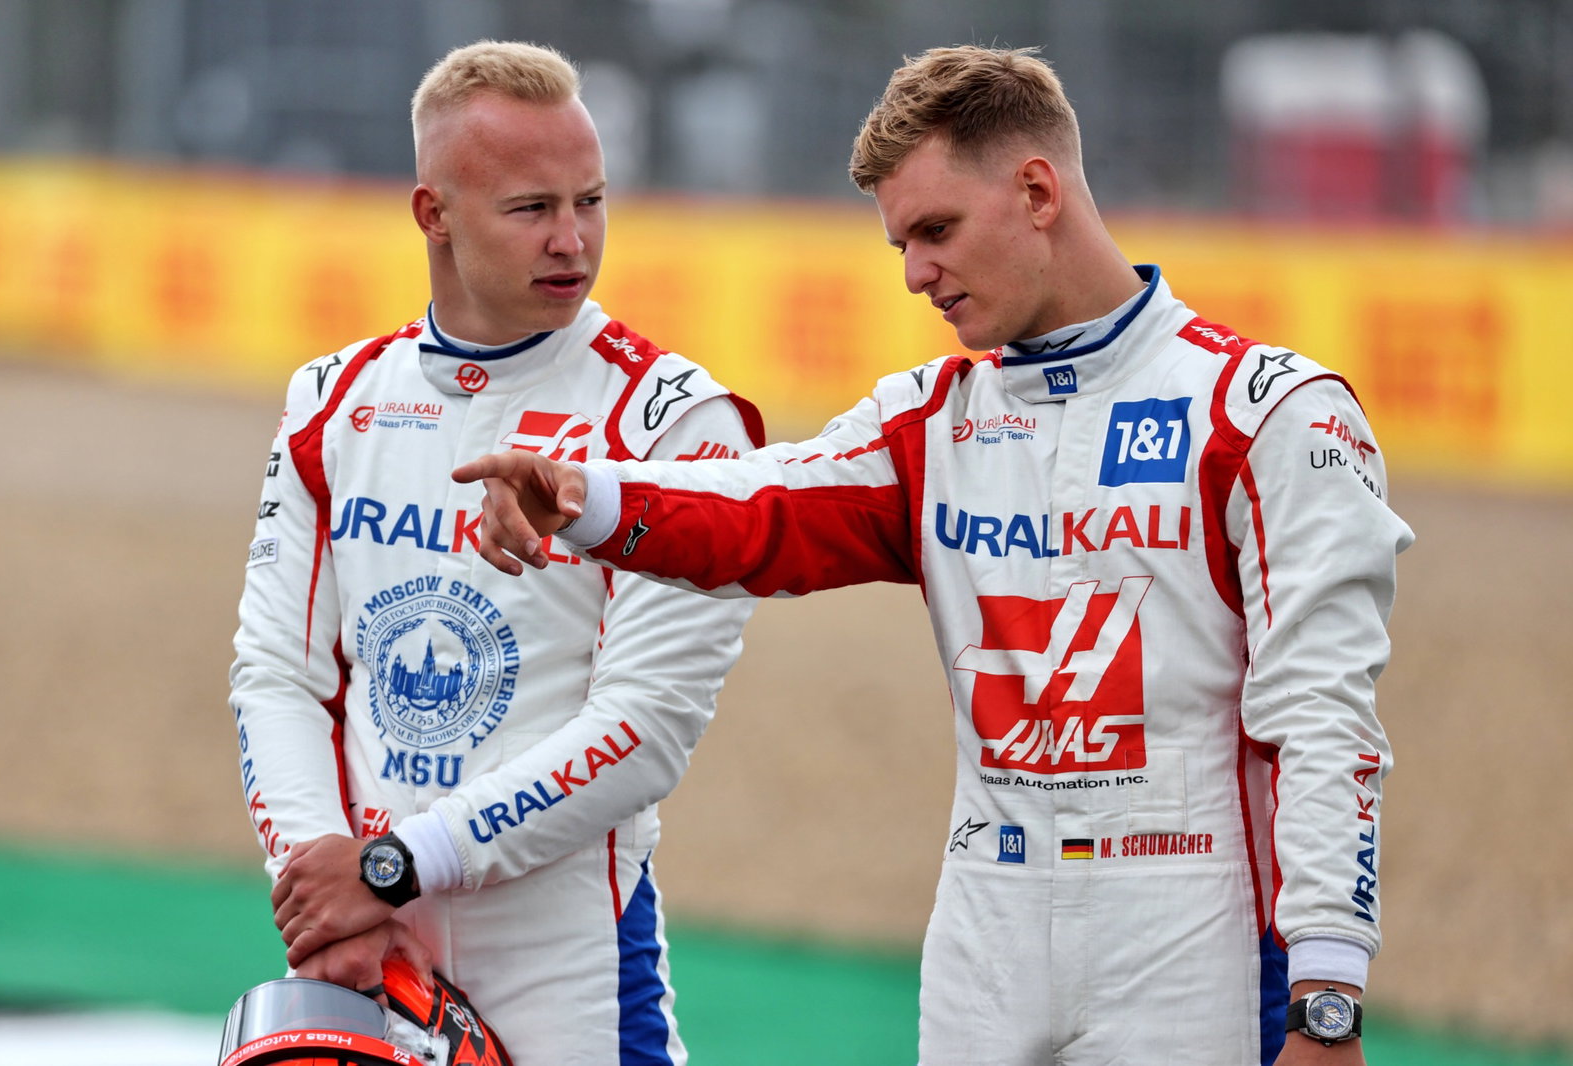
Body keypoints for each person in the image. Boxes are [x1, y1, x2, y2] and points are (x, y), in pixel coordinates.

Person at [452, 44, 1414, 1066]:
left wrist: (1325, 995)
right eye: (902, 242)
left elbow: (1322, 719)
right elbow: (758, 504)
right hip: (982, 928)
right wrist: (585, 492)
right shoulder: (930, 423)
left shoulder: (1267, 414)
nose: (915, 274)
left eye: (936, 230)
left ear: (1037, 191)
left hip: (1194, 929)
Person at [229, 40, 763, 1066]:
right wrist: (320, 883)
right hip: (356, 930)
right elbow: (276, 673)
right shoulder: (330, 404)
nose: (573, 239)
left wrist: (390, 867)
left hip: (563, 949)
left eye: (591, 201)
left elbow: (643, 729)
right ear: (432, 213)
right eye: (532, 208)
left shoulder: (679, 422)